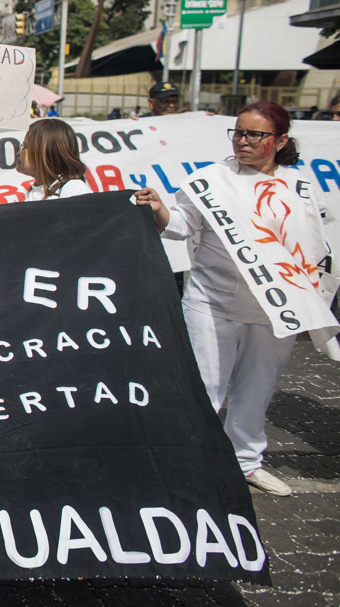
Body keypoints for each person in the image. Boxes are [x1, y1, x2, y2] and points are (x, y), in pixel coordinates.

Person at [134, 102, 330, 497]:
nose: (243, 141)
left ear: (280, 141)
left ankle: (246, 462)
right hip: (212, 301)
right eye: (238, 132)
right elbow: (179, 226)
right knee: (205, 386)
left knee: (257, 388)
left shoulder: (300, 188)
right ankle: (195, 461)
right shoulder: (210, 180)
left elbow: (313, 248)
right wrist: (158, 208)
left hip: (275, 309)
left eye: (254, 134)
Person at [17, 119, 92, 201]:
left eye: (25, 146)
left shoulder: (73, 189)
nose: (19, 153)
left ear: (46, 152)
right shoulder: (33, 193)